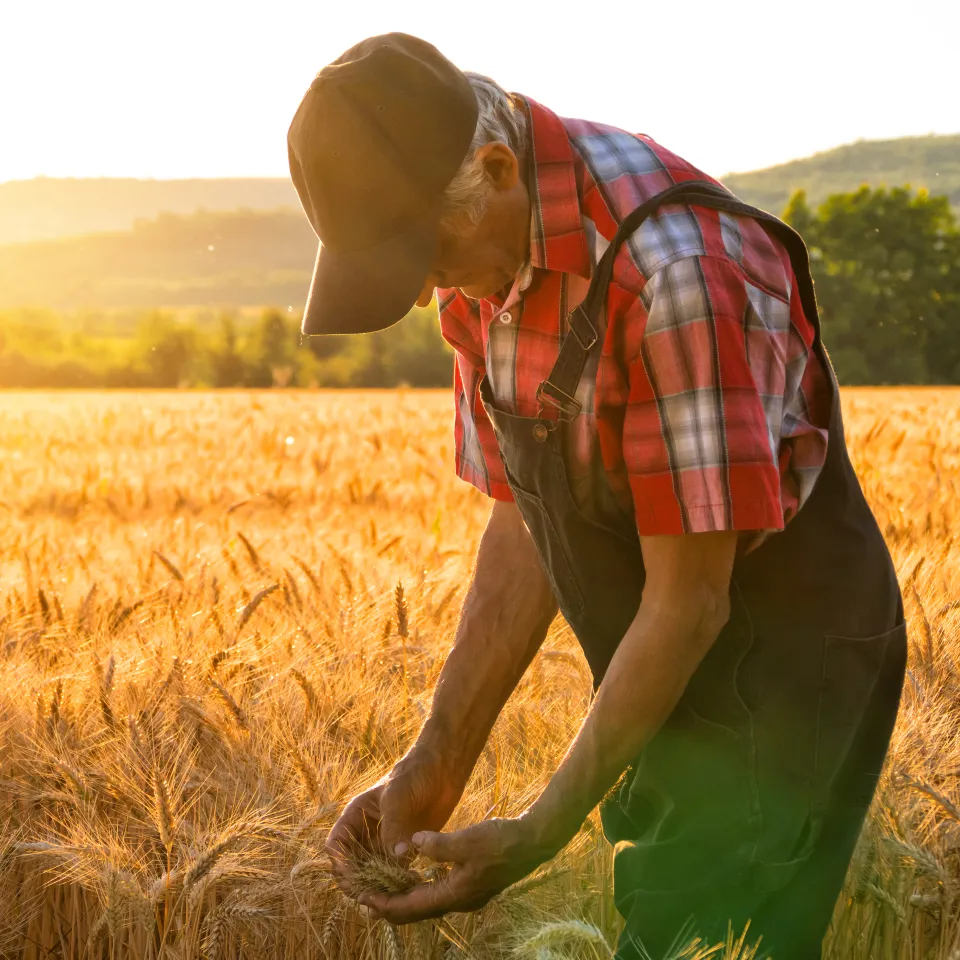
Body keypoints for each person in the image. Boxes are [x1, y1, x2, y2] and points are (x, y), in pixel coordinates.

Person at [286, 33, 907, 959]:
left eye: (424, 251)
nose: (421, 293)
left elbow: (690, 600)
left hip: (781, 665)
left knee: (691, 939)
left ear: (495, 169)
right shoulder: (483, 257)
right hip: (662, 660)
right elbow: (525, 519)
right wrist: (436, 760)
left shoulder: (678, 277)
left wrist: (540, 834)